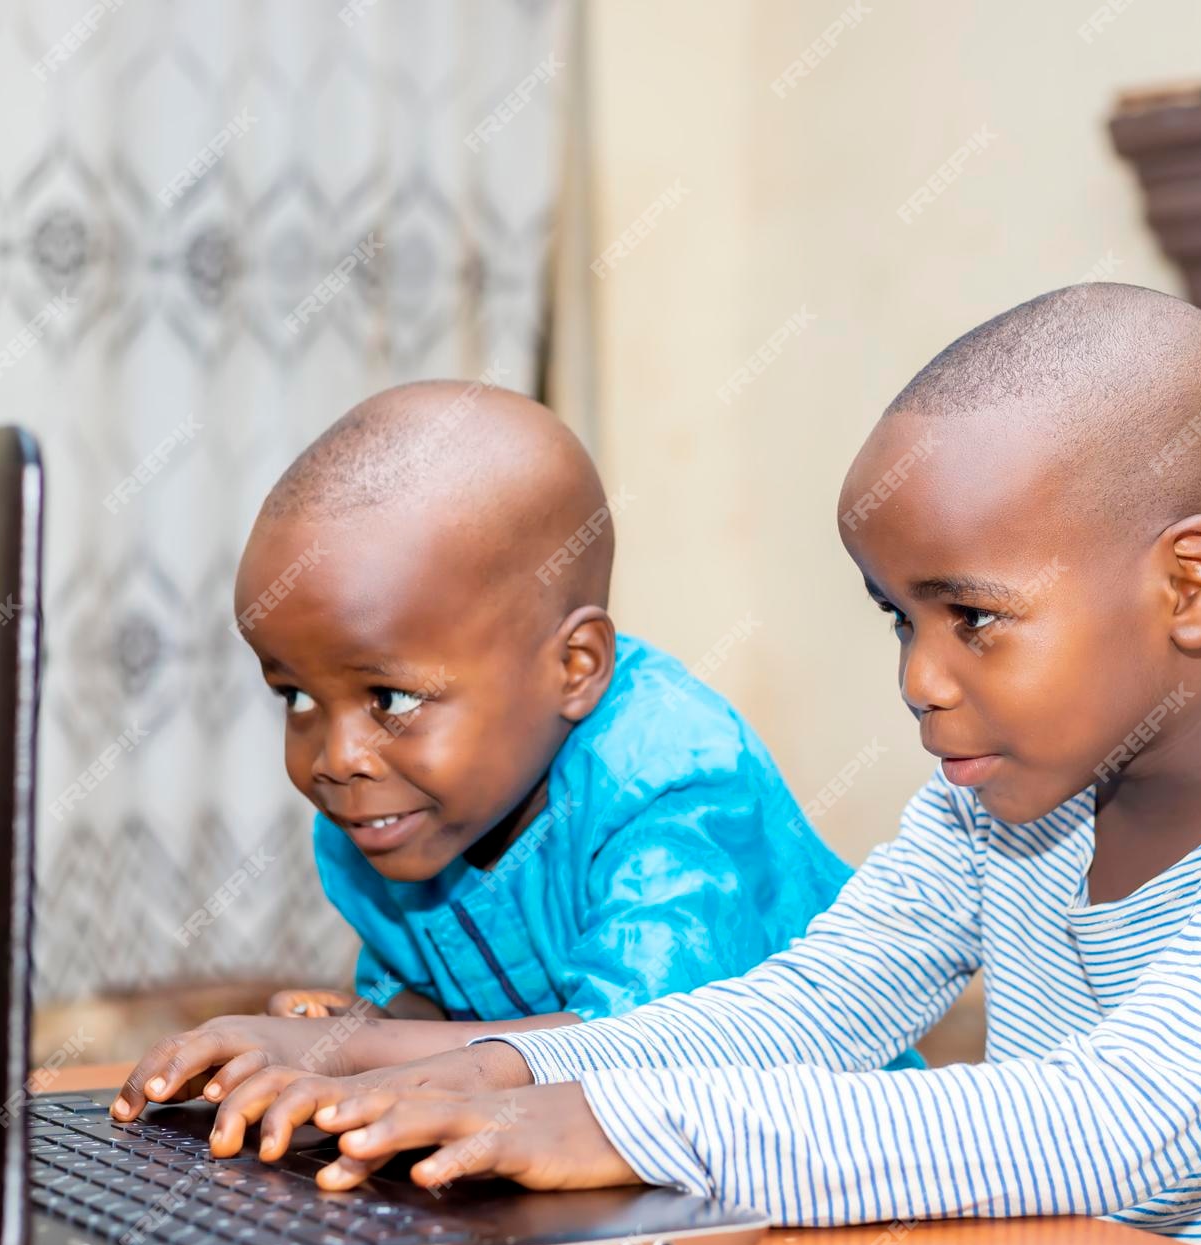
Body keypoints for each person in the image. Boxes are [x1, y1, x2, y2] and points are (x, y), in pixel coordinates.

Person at [225, 287, 1201, 1245]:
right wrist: (486, 1072)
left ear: (1186, 584)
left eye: (972, 618)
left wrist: (616, 1119)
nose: (918, 678)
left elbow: (1095, 1126)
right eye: (899, 618)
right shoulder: (1011, 798)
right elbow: (811, 1007)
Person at [111, 382, 915, 1161]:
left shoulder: (676, 777)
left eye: (389, 695)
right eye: (293, 695)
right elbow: (430, 1005)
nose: (336, 758)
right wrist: (341, 1039)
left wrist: (359, 1049)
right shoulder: (383, 815)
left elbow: (637, 1054)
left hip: (833, 1194)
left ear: (575, 665)